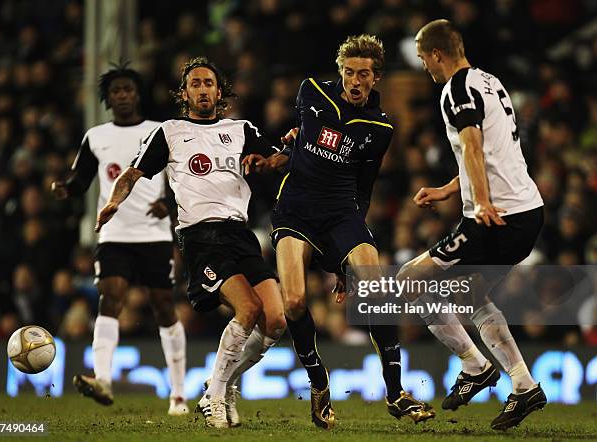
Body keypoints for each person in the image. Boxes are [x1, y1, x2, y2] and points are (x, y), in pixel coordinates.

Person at [94, 57, 286, 429]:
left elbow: (278, 159)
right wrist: (114, 201)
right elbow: (133, 172)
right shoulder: (170, 131)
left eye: (208, 83)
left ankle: (224, 384)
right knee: (247, 309)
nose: (202, 89)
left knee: (275, 321)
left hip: (241, 234)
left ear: (219, 91)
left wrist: (279, 155)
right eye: (195, 84)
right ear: (185, 93)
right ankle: (214, 395)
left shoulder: (242, 128)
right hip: (202, 238)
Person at [264, 35, 435, 429]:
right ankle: (318, 381)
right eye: (349, 71)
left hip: (343, 212)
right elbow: (298, 138)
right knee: (293, 302)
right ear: (340, 70)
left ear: (376, 78)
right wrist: (284, 149)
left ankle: (396, 392)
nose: (355, 80)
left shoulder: (380, 128)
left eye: (364, 73)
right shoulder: (310, 93)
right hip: (296, 209)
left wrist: (345, 260)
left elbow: (364, 187)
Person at [397, 19, 547, 430]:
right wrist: (449, 189)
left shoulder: (455, 90)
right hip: (526, 212)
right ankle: (523, 386)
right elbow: (496, 150)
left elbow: (475, 147)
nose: (424, 66)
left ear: (437, 54)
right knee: (474, 294)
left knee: (411, 281)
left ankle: (475, 366)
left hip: (497, 217)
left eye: (423, 58)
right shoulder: (489, 82)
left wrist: (480, 202)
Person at [51, 64, 188, 416]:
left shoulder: (159, 131)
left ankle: (178, 396)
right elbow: (81, 180)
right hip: (113, 234)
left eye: (128, 89)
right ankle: (103, 380)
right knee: (110, 298)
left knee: (163, 307)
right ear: (107, 99)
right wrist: (66, 189)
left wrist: (169, 205)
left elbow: (181, 177)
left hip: (154, 235)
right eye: (116, 91)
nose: (123, 95)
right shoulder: (96, 136)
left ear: (137, 93)